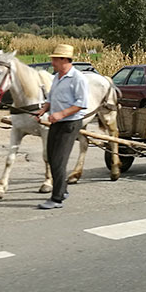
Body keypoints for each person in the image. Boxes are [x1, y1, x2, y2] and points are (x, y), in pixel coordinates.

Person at [34, 43, 89, 210]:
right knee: (51, 157)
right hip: (56, 122)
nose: (52, 62)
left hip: (70, 124)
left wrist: (61, 114)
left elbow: (81, 103)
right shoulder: (56, 77)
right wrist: (43, 110)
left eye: (55, 59)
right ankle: (63, 190)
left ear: (65, 59)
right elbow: (51, 99)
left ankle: (56, 199)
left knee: (59, 161)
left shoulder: (78, 78)